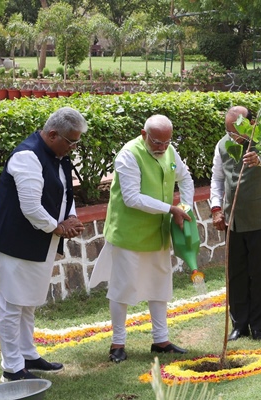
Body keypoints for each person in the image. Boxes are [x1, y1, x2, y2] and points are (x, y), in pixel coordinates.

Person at [0, 107, 88, 382]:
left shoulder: (57, 153)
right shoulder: (27, 156)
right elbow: (31, 207)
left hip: (37, 239)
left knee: (27, 303)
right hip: (11, 242)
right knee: (11, 304)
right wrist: (59, 227)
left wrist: (71, 216)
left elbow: (65, 192)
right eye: (71, 141)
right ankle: (12, 368)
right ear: (53, 134)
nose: (74, 147)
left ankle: (28, 354)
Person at [89, 114, 194, 363]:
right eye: (157, 142)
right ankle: (118, 343)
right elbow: (132, 198)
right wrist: (171, 209)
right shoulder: (128, 154)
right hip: (129, 233)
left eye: (166, 142)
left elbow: (186, 178)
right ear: (143, 134)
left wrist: (186, 206)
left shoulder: (169, 150)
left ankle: (161, 340)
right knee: (123, 288)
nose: (162, 147)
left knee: (160, 286)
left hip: (158, 233)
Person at [210, 106, 261, 341]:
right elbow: (217, 179)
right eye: (228, 132)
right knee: (236, 274)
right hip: (234, 221)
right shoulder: (223, 145)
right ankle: (239, 325)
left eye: (237, 132)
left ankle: (258, 326)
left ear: (250, 124)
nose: (233, 137)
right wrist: (216, 209)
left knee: (259, 274)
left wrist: (257, 158)